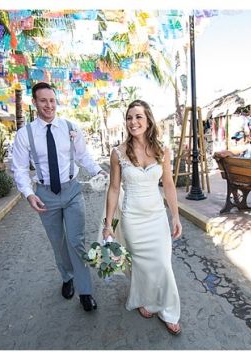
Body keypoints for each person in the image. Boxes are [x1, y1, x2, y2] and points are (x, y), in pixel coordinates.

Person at [10, 82, 107, 312]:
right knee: (58, 242)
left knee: (76, 241)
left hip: (72, 191)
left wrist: (99, 172)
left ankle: (85, 291)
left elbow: (83, 157)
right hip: (45, 195)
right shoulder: (25, 135)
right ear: (34, 103)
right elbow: (20, 169)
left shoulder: (70, 127)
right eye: (43, 101)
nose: (49, 105)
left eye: (52, 100)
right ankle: (67, 276)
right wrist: (28, 194)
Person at [102, 100, 182, 335]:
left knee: (163, 265)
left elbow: (168, 184)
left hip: (157, 217)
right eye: (129, 117)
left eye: (138, 117)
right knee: (142, 266)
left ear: (148, 120)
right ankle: (145, 300)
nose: (133, 122)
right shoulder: (118, 153)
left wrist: (175, 217)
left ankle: (169, 310)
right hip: (133, 219)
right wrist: (108, 225)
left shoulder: (162, 149)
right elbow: (114, 189)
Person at [214, 131, 251, 207]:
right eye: (235, 140)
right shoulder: (250, 148)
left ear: (245, 139)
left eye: (238, 139)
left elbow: (219, 154)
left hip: (238, 179)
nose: (236, 141)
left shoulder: (236, 150)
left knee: (232, 179)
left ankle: (236, 199)